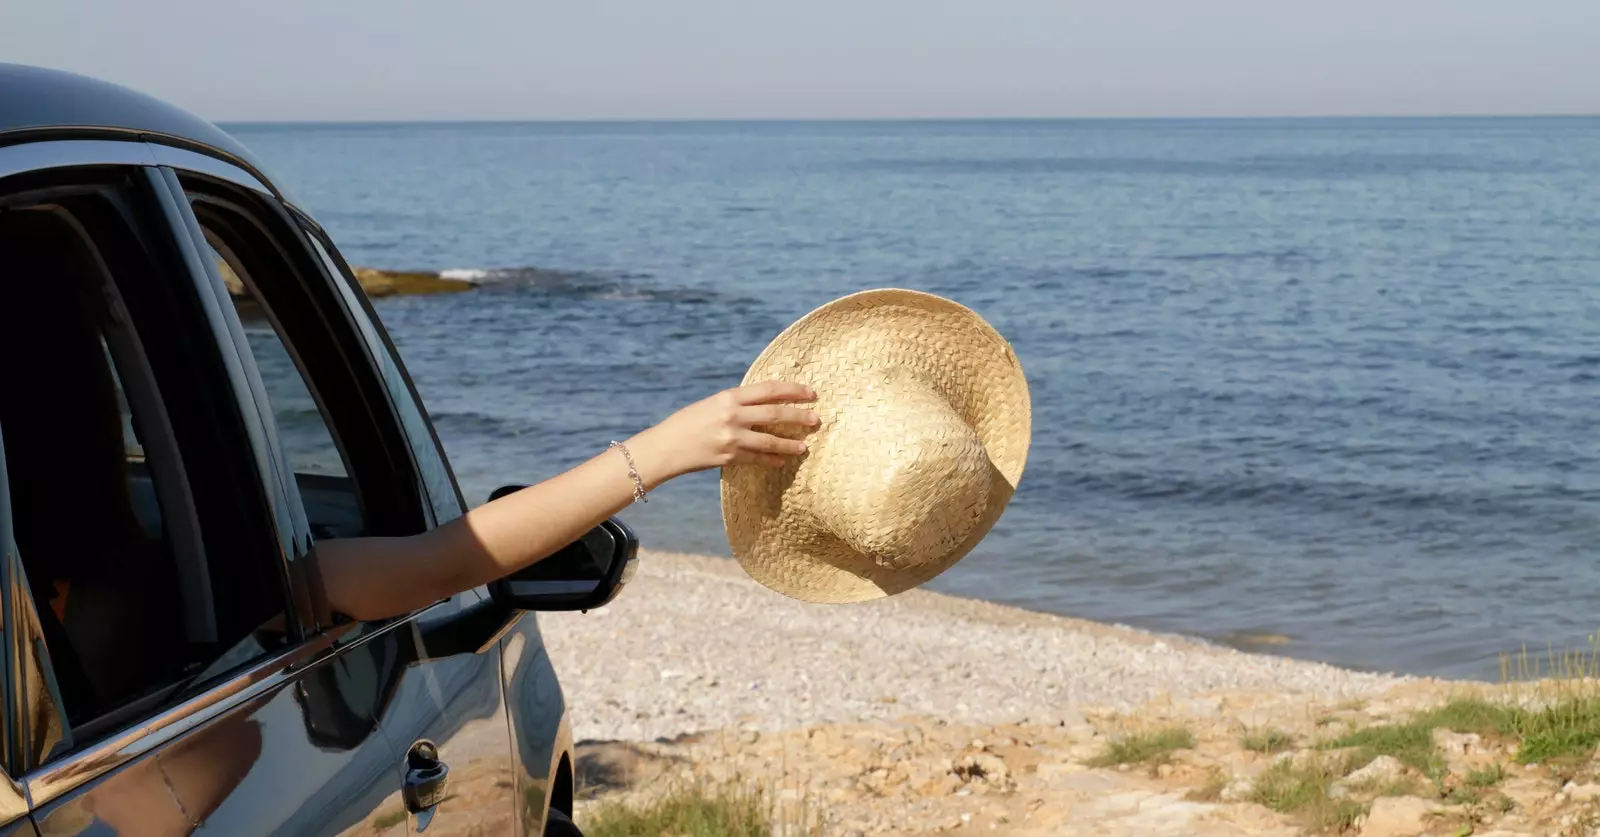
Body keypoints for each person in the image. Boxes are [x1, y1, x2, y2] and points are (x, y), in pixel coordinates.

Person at [313, 381, 819, 622]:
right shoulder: (247, 580)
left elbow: (431, 565)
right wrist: (663, 450)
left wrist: (667, 446)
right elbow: (430, 568)